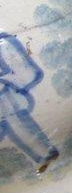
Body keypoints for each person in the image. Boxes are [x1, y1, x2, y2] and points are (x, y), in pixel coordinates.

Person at [0, 32, 59, 168]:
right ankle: (41, 157)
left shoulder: (4, 44)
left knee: (17, 120)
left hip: (7, 99)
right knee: (14, 123)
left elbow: (20, 71)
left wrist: (6, 79)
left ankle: (45, 153)